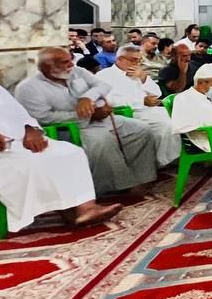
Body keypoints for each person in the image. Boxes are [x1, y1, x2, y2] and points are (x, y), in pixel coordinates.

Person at [0, 47, 121, 231]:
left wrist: (31, 130)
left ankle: (86, 208)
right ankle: (67, 210)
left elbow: (24, 117)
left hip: (19, 144)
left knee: (70, 151)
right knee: (32, 161)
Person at [15, 47, 158, 197]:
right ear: (47, 66)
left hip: (99, 118)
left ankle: (142, 179)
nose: (71, 65)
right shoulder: (28, 88)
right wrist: (85, 116)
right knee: (101, 139)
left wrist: (87, 97)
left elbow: (102, 86)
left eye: (70, 60)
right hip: (68, 128)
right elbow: (42, 118)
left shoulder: (77, 72)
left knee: (141, 129)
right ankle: (113, 188)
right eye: (65, 62)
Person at [96, 43, 179, 167]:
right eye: (133, 60)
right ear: (120, 59)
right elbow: (110, 100)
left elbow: (157, 93)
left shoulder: (137, 73)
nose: (137, 63)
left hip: (147, 110)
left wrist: (143, 78)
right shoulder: (105, 75)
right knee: (166, 125)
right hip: (126, 113)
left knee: (178, 118)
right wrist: (142, 101)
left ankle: (174, 155)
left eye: (139, 60)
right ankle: (162, 160)